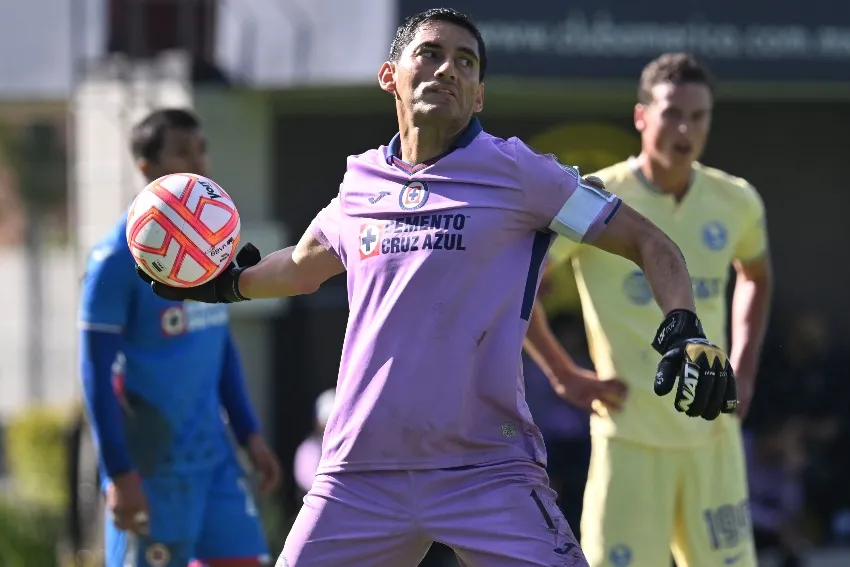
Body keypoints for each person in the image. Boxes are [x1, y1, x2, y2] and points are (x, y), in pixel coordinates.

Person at [138, 11, 737, 567]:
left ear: (478, 94)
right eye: (429, 54)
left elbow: (650, 244)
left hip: (488, 472)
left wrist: (685, 328)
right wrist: (224, 285)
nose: (448, 68)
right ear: (389, 77)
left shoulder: (524, 173)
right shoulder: (359, 182)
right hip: (358, 473)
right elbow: (300, 266)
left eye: (466, 62)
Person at [525, 53, 772, 567]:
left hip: (713, 434)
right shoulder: (594, 198)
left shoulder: (737, 199)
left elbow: (756, 275)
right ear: (642, 117)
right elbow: (519, 287)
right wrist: (563, 374)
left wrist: (743, 370)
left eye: (698, 115)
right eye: (671, 112)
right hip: (628, 436)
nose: (685, 128)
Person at [78, 108, 282, 567]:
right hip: (152, 467)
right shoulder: (115, 259)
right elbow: (94, 370)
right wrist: (120, 473)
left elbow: (220, 348)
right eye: (183, 152)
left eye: (202, 149)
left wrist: (250, 434)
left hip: (215, 460)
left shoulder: (212, 251)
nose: (199, 162)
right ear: (147, 168)